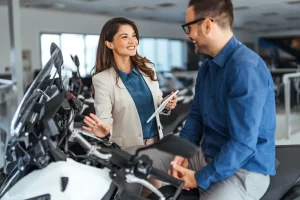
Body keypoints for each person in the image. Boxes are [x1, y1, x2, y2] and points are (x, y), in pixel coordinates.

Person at [139, 0, 276, 199]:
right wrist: (182, 152)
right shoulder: (206, 67)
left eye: (189, 27)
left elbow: (243, 144)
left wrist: (199, 178)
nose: (187, 35)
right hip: (206, 155)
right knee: (141, 160)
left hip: (243, 169)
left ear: (207, 25)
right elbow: (196, 116)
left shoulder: (245, 68)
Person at [82, 17, 177, 147]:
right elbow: (104, 117)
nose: (133, 41)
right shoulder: (102, 79)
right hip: (128, 148)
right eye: (125, 37)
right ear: (110, 44)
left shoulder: (148, 68)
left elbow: (156, 101)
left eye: (134, 36)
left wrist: (166, 105)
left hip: (156, 142)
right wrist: (104, 131)